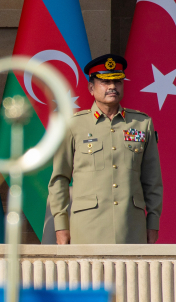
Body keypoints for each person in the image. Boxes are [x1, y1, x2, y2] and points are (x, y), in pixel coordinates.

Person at [49, 54, 163, 244]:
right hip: (87, 229)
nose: (112, 87)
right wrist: (61, 226)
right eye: (104, 82)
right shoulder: (73, 125)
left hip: (131, 229)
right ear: (91, 87)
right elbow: (59, 179)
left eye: (117, 82)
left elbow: (152, 179)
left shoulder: (142, 123)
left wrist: (152, 222)